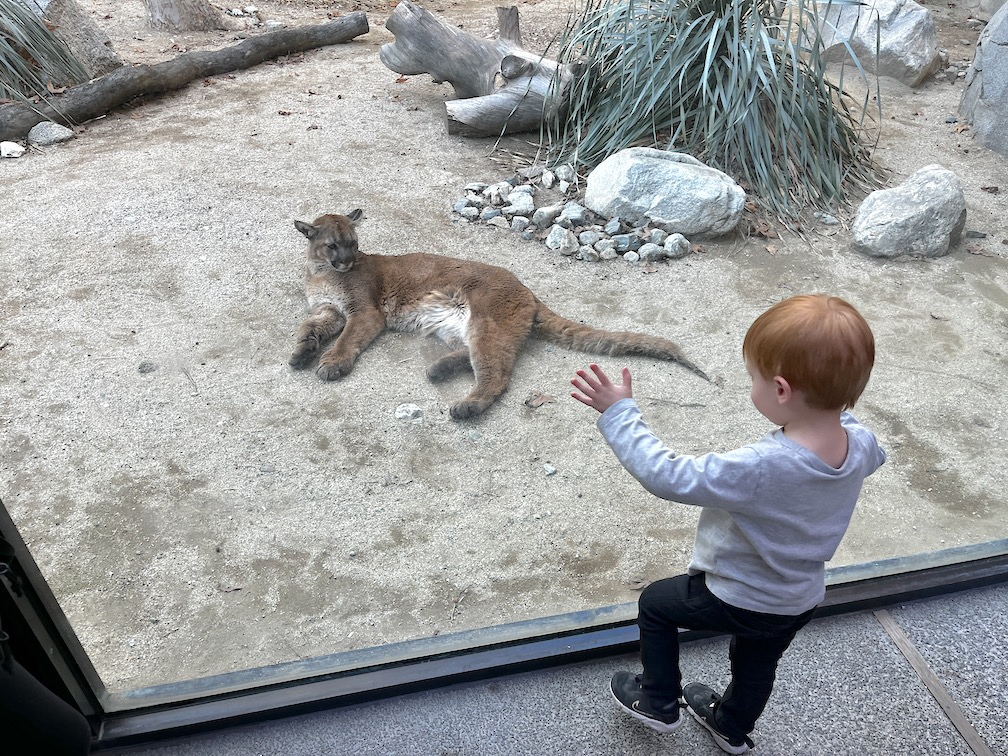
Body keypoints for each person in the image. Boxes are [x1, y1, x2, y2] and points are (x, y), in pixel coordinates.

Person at [570, 294, 886, 754]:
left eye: (753, 379)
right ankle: (731, 727)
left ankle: (658, 701)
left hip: (739, 595)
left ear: (780, 390)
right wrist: (836, 399)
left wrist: (619, 413)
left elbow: (668, 476)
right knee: (757, 665)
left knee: (657, 605)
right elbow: (872, 455)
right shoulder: (859, 442)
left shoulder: (761, 466)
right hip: (798, 599)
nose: (751, 386)